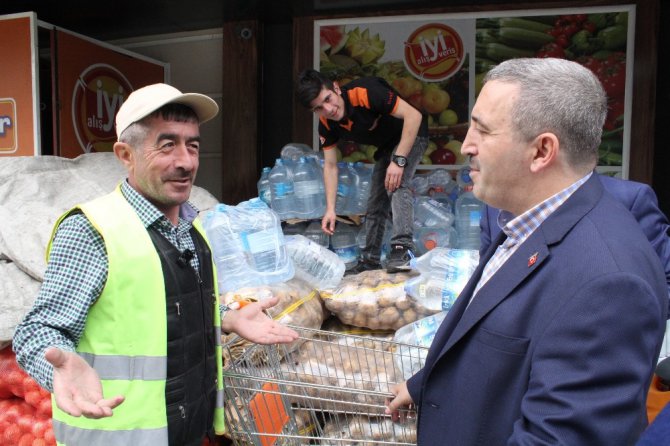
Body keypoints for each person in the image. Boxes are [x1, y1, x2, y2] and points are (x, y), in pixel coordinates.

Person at [385, 58, 668, 445]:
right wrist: (424, 385)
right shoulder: (520, 218)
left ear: (541, 151)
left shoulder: (609, 285)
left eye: (482, 131)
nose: (466, 145)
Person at [12, 83, 299, 446]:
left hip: (186, 430)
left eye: (192, 145)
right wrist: (59, 370)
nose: (186, 161)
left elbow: (160, 304)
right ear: (125, 154)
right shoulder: (93, 230)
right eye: (167, 145)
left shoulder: (192, 227)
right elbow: (36, 330)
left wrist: (226, 315)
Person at [296, 69, 429, 273]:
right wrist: (330, 209)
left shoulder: (366, 92)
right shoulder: (326, 125)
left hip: (411, 134)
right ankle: (370, 261)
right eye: (319, 108)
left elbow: (414, 115)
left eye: (328, 99)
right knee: (375, 202)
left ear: (336, 88)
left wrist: (399, 160)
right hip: (387, 146)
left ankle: (403, 250)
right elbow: (330, 166)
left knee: (397, 184)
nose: (329, 109)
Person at [482, 175, 670, 302]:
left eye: (487, 132)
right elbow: (486, 284)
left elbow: (665, 282)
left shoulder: (629, 198)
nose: (469, 147)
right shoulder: (496, 206)